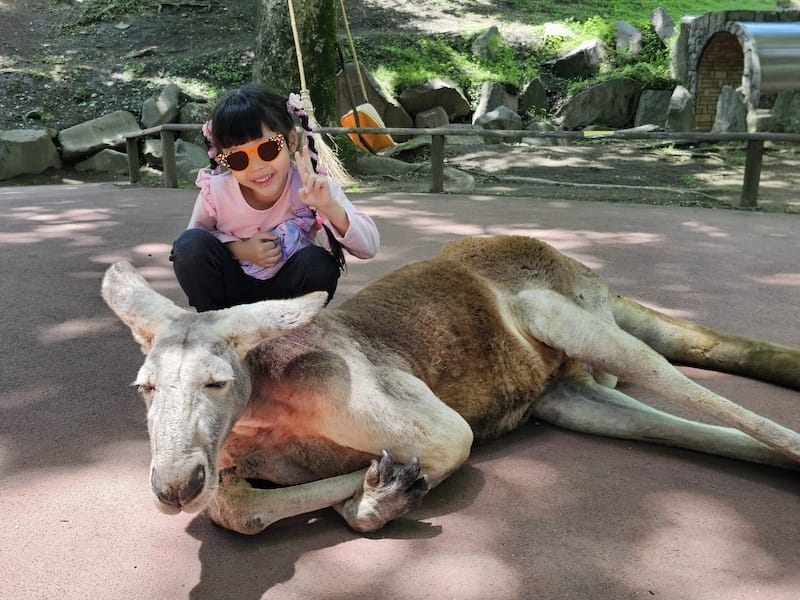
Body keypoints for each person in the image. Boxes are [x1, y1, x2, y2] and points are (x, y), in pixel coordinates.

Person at [170, 83, 380, 312]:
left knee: (318, 264)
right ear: (224, 160)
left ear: (291, 140)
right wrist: (240, 250)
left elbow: (368, 247)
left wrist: (329, 207)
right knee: (189, 246)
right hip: (230, 295)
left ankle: (293, 329)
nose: (256, 166)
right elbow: (193, 248)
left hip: (286, 298)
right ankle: (213, 322)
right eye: (238, 159)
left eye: (267, 149)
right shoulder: (216, 192)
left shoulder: (313, 186)